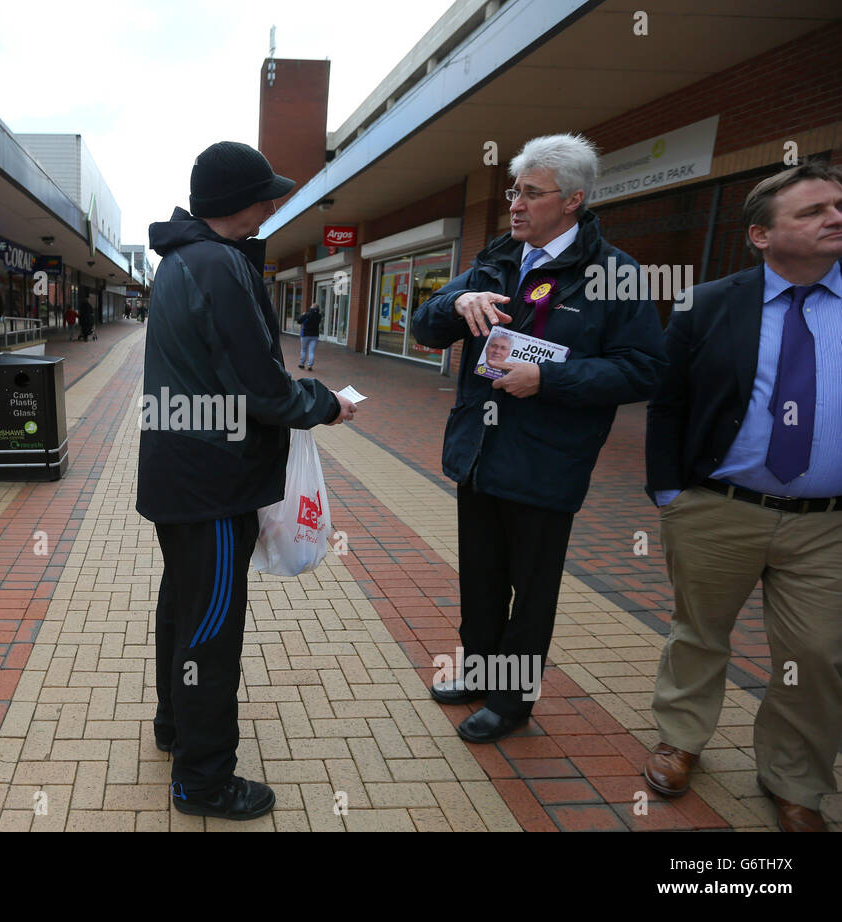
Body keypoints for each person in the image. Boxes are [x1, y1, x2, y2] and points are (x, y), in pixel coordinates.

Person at [410, 133, 666, 743]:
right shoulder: (497, 257)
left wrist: (549, 379)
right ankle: (478, 670)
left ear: (573, 200)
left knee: (532, 590)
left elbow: (643, 369)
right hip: (479, 451)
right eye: (513, 191)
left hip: (548, 462)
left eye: (531, 193)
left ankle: (512, 700)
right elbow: (425, 328)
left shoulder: (615, 273)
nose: (516, 204)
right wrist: (458, 299)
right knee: (481, 573)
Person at [138, 140, 357, 821]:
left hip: (181, 476)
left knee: (183, 608)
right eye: (267, 194)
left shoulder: (183, 260)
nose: (275, 201)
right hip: (212, 481)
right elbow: (261, 387)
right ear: (242, 202)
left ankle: (175, 726)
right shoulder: (218, 265)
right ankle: (203, 782)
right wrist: (326, 404)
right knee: (210, 629)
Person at [643, 161, 842, 833]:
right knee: (699, 634)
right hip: (718, 509)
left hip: (827, 523)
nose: (834, 218)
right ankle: (681, 740)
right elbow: (668, 405)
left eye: (836, 206)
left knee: (816, 654)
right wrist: (672, 494)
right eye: (812, 210)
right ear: (761, 235)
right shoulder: (710, 303)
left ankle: (795, 779)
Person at [298, 303, 322, 370]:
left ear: (312, 307)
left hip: (305, 334)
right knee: (311, 351)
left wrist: (303, 315)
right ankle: (310, 366)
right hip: (315, 335)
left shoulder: (307, 314)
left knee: (303, 349)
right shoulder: (319, 316)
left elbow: (299, 321)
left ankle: (302, 364)